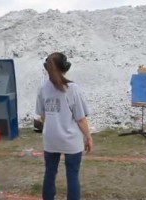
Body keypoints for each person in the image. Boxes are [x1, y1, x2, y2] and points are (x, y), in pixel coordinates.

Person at [36, 52, 93, 200]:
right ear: (65, 68)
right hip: (71, 140)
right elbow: (80, 119)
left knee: (49, 173)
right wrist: (88, 137)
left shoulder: (43, 89)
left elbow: (42, 116)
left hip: (50, 139)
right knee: (72, 176)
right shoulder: (73, 88)